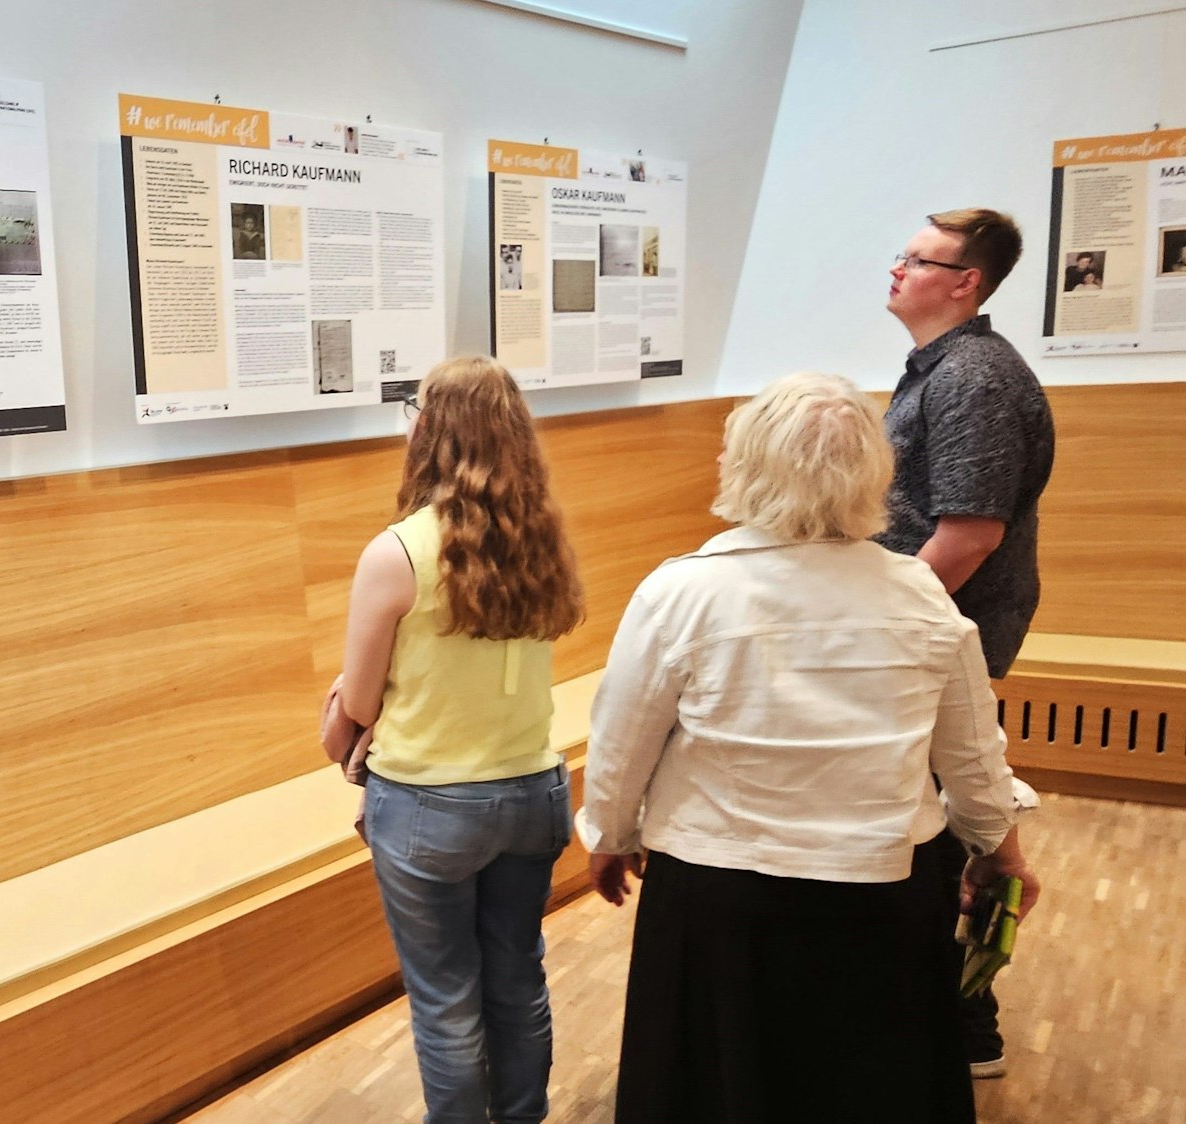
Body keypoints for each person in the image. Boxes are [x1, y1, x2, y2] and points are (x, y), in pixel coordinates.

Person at [581, 372, 1041, 1124]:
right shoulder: (918, 594)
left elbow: (621, 742)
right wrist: (1000, 852)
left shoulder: (681, 593)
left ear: (742, 465)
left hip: (717, 896)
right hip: (881, 899)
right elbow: (969, 754)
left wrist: (608, 836)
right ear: (875, 475)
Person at [321, 355, 584, 1124]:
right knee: (516, 980)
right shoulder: (543, 544)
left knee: (445, 999)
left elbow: (357, 704)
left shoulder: (397, 552)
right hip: (535, 790)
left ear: (428, 431)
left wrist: (343, 705)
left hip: (429, 803)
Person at [882, 207, 1054, 1080]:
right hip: (927, 630)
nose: (896, 269)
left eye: (916, 260)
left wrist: (882, 629)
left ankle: (961, 1029)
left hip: (942, 637)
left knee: (950, 833)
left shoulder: (973, 380)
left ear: (965, 283)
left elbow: (968, 536)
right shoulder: (939, 368)